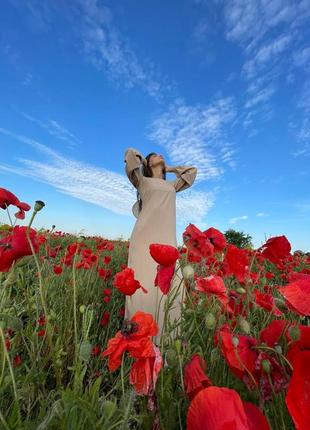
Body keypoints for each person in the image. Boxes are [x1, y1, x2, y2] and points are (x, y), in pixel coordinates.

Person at [124, 147, 197, 346]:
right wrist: (141, 161)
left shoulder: (173, 186)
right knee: (142, 285)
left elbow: (192, 172)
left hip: (167, 240)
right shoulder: (142, 182)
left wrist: (170, 168)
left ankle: (166, 340)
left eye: (161, 155)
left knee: (172, 285)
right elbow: (130, 156)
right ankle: (139, 339)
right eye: (154, 155)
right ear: (147, 164)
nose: (160, 155)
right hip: (144, 239)